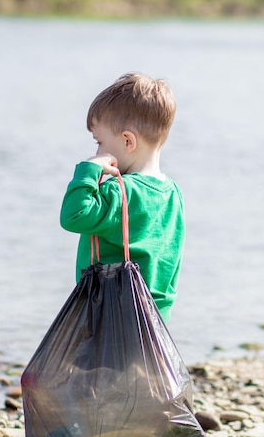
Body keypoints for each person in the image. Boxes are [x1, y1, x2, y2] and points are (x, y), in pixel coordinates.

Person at [60, 72, 184, 323]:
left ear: (127, 141)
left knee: (98, 364)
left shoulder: (119, 191)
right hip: (154, 319)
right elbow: (172, 258)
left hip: (110, 313)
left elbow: (73, 216)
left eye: (100, 142)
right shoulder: (173, 193)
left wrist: (89, 169)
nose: (97, 151)